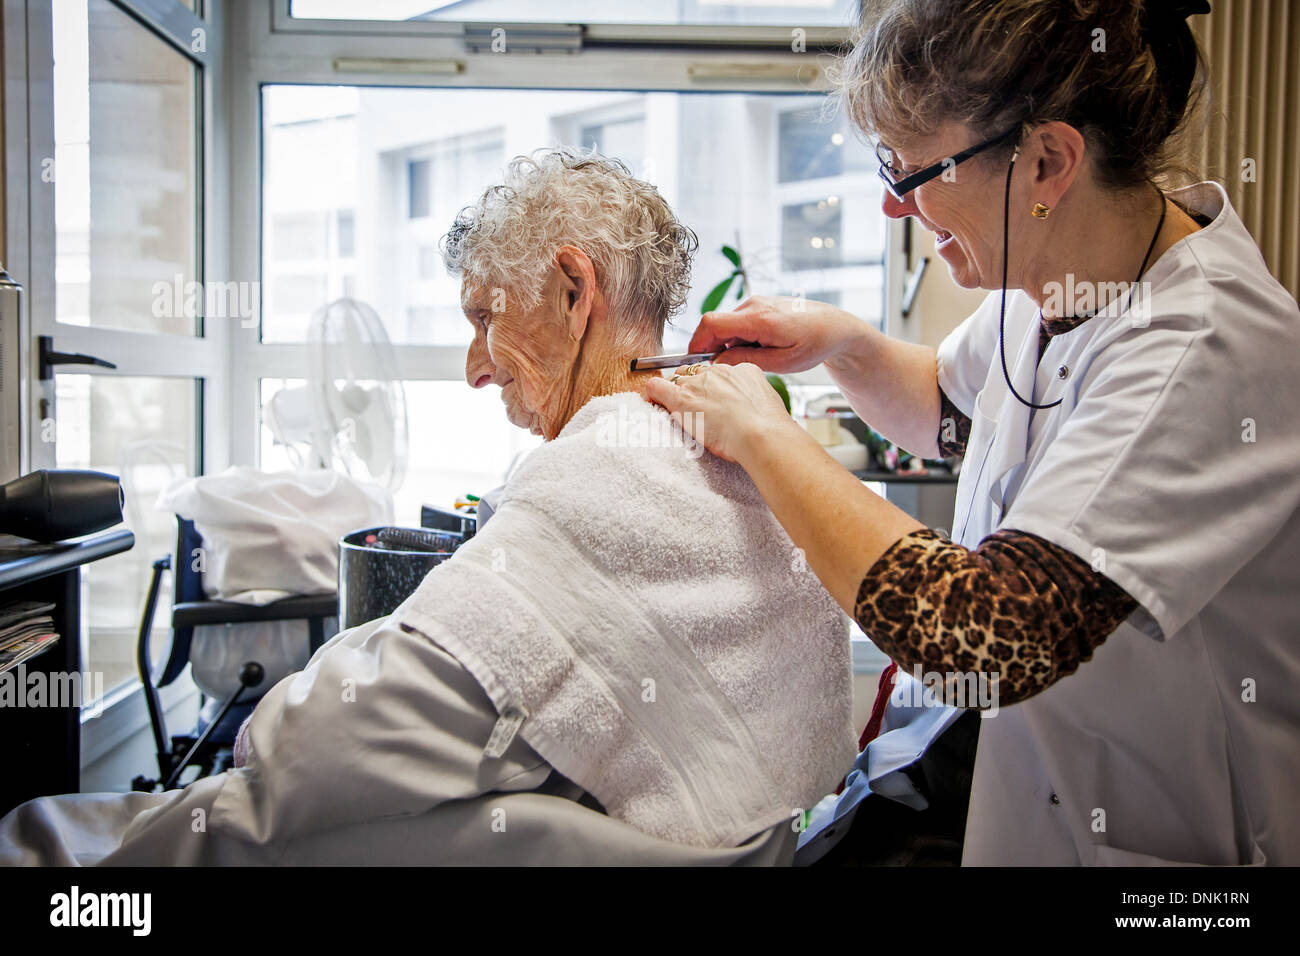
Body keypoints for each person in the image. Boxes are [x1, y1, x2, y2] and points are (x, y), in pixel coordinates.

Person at [0, 149, 855, 866]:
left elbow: (332, 751)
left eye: (487, 315)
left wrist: (266, 728)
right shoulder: (727, 441)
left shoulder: (602, 478)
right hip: (760, 842)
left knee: (236, 823)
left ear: (571, 288)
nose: (475, 367)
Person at [648, 0, 1300, 866]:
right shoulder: (1055, 284)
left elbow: (987, 637)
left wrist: (765, 438)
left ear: (1048, 161)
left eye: (916, 171)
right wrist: (841, 341)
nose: (891, 203)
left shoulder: (1205, 347)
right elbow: (951, 412)